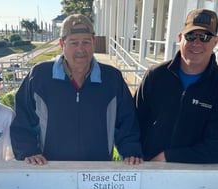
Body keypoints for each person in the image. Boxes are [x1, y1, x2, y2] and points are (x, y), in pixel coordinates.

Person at [10, 14, 143, 165]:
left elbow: (127, 121)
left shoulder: (112, 79)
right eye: (73, 43)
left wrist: (131, 150)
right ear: (62, 44)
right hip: (51, 169)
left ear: (94, 42)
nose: (81, 49)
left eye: (86, 42)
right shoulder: (40, 76)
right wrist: (28, 151)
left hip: (98, 171)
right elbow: (23, 120)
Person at [134, 8, 218, 164]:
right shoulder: (155, 75)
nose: (196, 43)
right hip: (147, 167)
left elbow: (217, 147)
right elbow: (133, 123)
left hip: (193, 176)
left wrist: (168, 157)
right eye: (190, 36)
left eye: (204, 37)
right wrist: (135, 155)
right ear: (180, 37)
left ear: (215, 41)